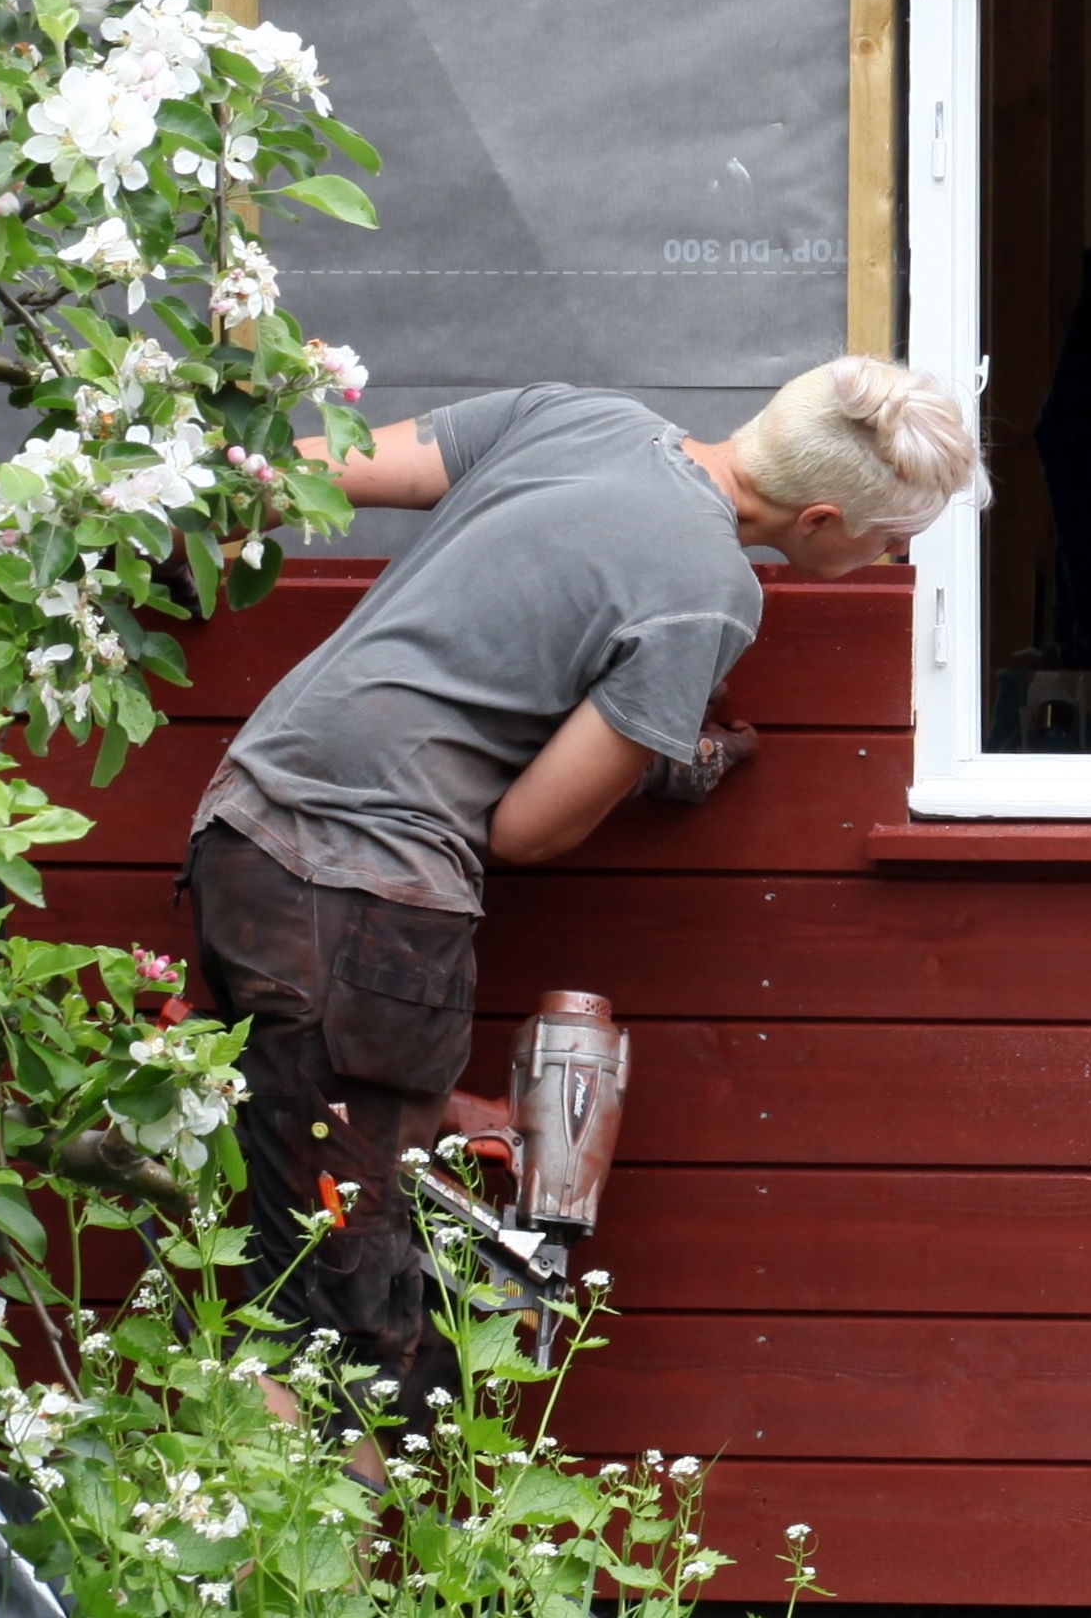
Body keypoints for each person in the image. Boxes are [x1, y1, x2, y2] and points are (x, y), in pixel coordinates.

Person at [186, 357, 983, 1385]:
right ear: (821, 519)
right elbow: (525, 829)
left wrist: (180, 527)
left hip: (244, 838)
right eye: (893, 538)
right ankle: (325, 1526)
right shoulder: (708, 593)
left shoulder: (574, 414)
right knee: (341, 1306)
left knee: (299, 1233)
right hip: (367, 901)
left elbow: (301, 470)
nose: (896, 558)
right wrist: (662, 756)